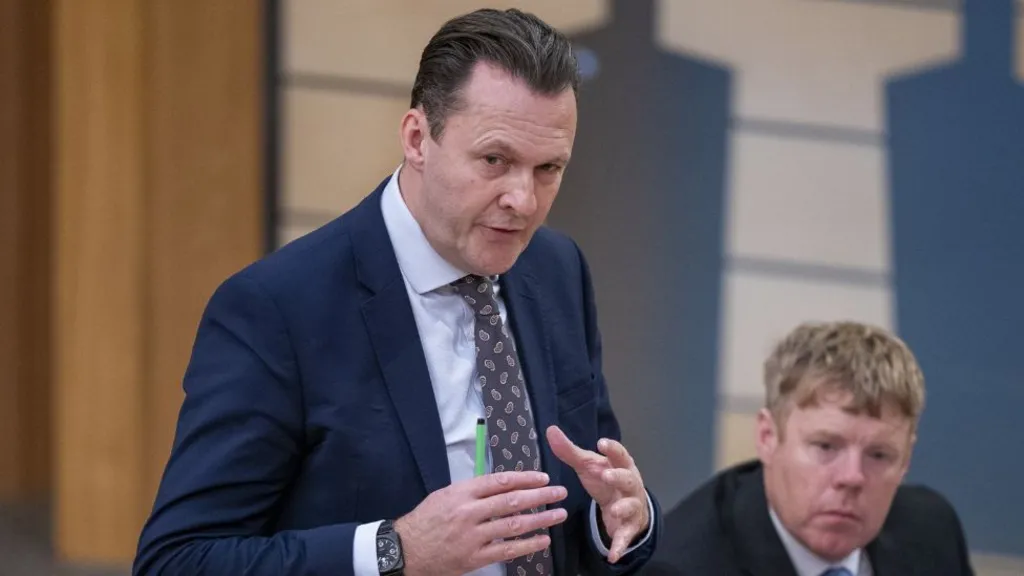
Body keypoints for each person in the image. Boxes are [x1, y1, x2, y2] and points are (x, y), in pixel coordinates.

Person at [133, 8, 661, 576]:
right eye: (495, 160)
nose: (524, 201)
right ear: (417, 139)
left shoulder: (557, 270)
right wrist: (396, 549)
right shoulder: (276, 310)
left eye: (548, 168)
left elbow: (589, 488)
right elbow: (178, 562)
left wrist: (619, 518)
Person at [642, 321, 974, 576]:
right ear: (768, 437)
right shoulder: (682, 567)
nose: (852, 477)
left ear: (906, 459)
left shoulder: (933, 533)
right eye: (826, 446)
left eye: (879, 455)